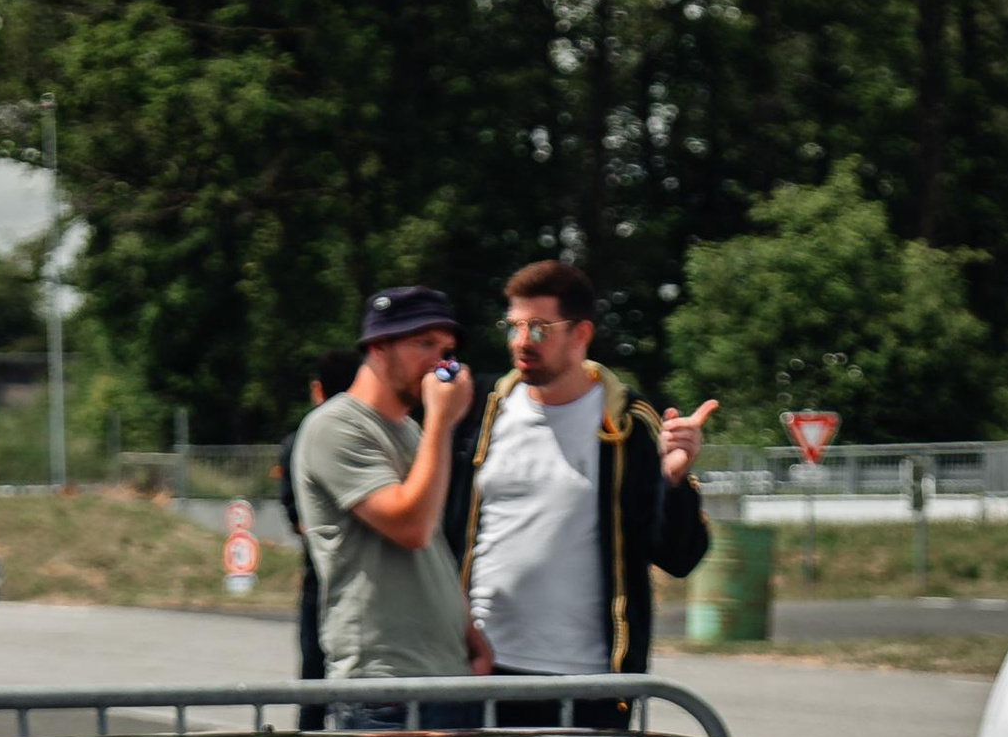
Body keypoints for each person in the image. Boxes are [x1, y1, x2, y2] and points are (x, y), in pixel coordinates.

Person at [458, 261, 715, 710]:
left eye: (538, 329)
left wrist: (674, 481)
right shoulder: (479, 414)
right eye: (513, 327)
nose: (521, 342)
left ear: (580, 335)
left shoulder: (627, 424)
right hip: (477, 670)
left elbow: (678, 558)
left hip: (586, 682)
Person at [289, 287, 475, 704]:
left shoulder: (411, 431)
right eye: (423, 343)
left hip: (443, 672)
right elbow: (410, 526)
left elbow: (433, 549)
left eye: (446, 349)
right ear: (377, 347)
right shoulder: (334, 426)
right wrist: (442, 424)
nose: (440, 363)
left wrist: (469, 634)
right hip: (384, 683)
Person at [278, 344, 360, 693]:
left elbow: (299, 521)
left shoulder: (297, 441)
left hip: (320, 577)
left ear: (317, 388)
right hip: (362, 583)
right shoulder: (374, 435)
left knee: (313, 686)